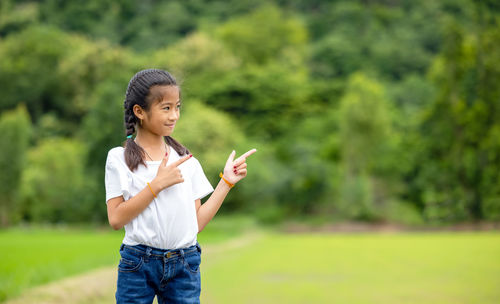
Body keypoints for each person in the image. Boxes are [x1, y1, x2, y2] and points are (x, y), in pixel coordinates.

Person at [104, 68, 256, 303]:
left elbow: (196, 224)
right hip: (137, 262)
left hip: (184, 264)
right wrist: (156, 185)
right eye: (166, 108)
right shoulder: (119, 158)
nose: (174, 115)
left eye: (177, 107)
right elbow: (116, 219)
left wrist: (226, 182)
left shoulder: (186, 161)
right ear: (139, 111)